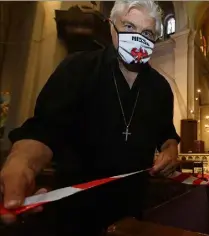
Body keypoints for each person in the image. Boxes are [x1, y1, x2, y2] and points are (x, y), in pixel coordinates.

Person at [0, 0, 180, 235]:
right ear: (111, 27)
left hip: (132, 214)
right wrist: (22, 163)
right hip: (74, 212)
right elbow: (44, 130)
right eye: (128, 27)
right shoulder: (76, 68)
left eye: (147, 32)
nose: (137, 38)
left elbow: (166, 135)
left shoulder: (161, 88)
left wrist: (170, 150)